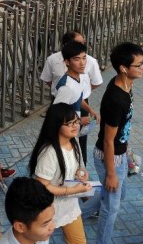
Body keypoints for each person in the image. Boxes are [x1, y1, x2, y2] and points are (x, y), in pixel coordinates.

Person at [94, 42, 143, 244]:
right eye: (139, 64)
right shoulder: (117, 99)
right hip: (110, 156)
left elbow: (121, 131)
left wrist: (127, 151)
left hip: (120, 154)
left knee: (116, 196)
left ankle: (77, 212)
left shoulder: (126, 86)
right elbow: (107, 140)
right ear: (124, 68)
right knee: (111, 206)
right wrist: (112, 172)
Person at [28, 103, 92, 244]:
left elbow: (80, 167)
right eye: (69, 123)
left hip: (69, 207)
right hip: (47, 209)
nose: (75, 126)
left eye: (76, 122)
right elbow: (42, 186)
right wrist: (73, 191)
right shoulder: (49, 152)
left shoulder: (75, 142)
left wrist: (82, 173)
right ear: (56, 124)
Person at [40, 31, 103, 164]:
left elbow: (78, 98)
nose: (82, 63)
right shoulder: (66, 88)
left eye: (84, 58)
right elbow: (57, 116)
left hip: (72, 130)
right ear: (67, 62)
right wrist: (80, 121)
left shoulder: (77, 79)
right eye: (76, 59)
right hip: (63, 135)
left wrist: (90, 110)